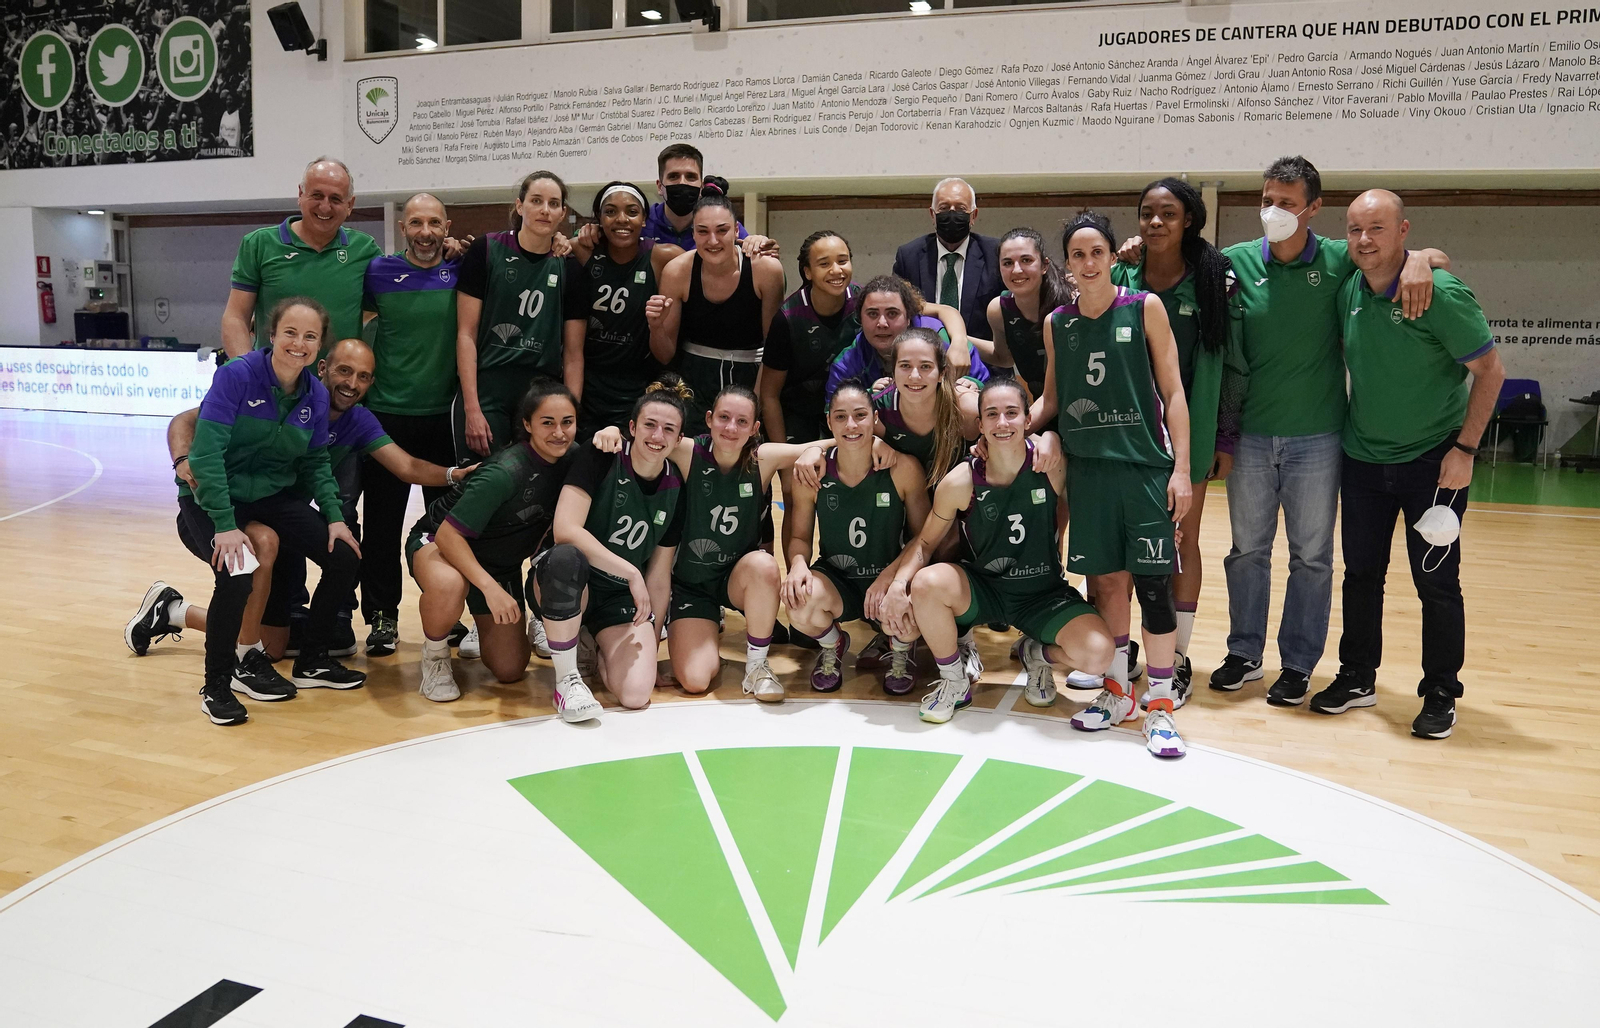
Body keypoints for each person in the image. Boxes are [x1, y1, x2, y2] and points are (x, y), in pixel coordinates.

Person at [1208, 156, 1449, 703]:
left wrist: (1423, 260)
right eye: (1268, 199)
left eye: (1288, 203)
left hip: (1318, 439)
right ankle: (1244, 653)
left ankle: (1297, 664)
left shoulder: (1342, 260)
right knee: (1246, 551)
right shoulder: (1234, 261)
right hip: (1248, 437)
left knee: (1312, 557)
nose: (1275, 211)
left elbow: (1413, 257)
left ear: (1313, 209)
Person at [130, 339, 468, 670]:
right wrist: (182, 459)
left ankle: (178, 612)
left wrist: (458, 475)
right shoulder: (284, 394)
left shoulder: (358, 421)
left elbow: (407, 466)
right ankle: (192, 628)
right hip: (233, 515)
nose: (351, 384)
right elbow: (185, 420)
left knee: (275, 644)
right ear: (323, 368)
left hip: (283, 521)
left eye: (363, 376)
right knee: (260, 627)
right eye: (344, 371)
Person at [1313, 190, 1505, 738]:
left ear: (1403, 231)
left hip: (1433, 462)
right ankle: (1356, 677)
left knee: (1437, 583)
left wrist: (1465, 451)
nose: (1364, 240)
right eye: (1354, 230)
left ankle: (1441, 690)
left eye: (1377, 228)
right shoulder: (1350, 283)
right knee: (1362, 575)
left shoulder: (1439, 293)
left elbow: (1491, 371)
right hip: (1363, 460)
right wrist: (1426, 254)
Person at [1030, 212, 1192, 758]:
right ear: (1067, 264)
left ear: (1109, 255)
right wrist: (1003, 428)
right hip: (1089, 473)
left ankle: (1162, 704)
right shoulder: (1058, 323)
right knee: (1107, 589)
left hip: (1144, 469)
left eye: (1096, 251)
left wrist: (1183, 470)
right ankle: (1118, 692)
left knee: (1153, 588)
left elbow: (1173, 393)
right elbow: (1052, 400)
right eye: (1077, 254)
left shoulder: (1143, 306)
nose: (1088, 262)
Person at [882, 378, 1113, 724]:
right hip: (984, 589)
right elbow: (926, 542)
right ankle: (954, 681)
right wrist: (899, 585)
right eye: (992, 414)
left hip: (1042, 594)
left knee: (1099, 654)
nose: (1002, 423)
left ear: (1027, 420)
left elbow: (1095, 512)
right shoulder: (960, 481)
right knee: (927, 583)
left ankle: (1037, 654)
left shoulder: (1052, 467)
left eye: (1011, 413)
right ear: (980, 426)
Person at [181, 297, 364, 725]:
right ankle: (218, 685)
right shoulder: (237, 376)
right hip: (210, 495)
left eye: (310, 337)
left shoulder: (314, 395)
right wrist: (224, 525)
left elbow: (318, 461)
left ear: (319, 346)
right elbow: (205, 455)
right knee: (239, 566)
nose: (298, 343)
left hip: (267, 495)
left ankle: (314, 661)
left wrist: (335, 517)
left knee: (343, 557)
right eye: (290, 333)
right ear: (271, 335)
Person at [1109, 179, 1239, 696]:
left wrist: (1224, 435)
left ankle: (1178, 655)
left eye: (1168, 213)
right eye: (1146, 213)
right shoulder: (1120, 274)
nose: (1155, 222)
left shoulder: (1209, 282)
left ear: (1190, 220)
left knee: (1180, 547)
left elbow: (1231, 366)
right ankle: (1130, 649)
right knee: (1122, 549)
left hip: (1187, 438)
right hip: (1120, 438)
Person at [636, 386, 825, 702]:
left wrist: (813, 452)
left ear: (754, 429)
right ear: (709, 419)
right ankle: (704, 641)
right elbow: (641, 439)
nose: (730, 428)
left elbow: (827, 444)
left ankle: (756, 665)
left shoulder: (761, 458)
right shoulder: (686, 451)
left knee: (764, 564)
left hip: (736, 578)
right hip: (691, 586)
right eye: (723, 418)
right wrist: (611, 432)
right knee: (695, 681)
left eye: (741, 421)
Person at [406, 380, 582, 706]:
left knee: (510, 669)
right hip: (440, 543)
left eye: (567, 422)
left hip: (498, 562)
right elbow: (447, 535)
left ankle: (497, 620)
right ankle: (435, 655)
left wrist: (612, 432)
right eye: (547, 422)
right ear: (527, 424)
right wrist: (490, 589)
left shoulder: (573, 459)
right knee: (449, 584)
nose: (559, 432)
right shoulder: (504, 472)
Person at [539, 378, 692, 716]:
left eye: (668, 429)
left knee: (637, 694)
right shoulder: (601, 455)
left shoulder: (676, 488)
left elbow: (660, 576)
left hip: (618, 598)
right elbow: (564, 529)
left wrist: (650, 638)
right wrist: (629, 571)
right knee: (567, 559)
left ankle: (590, 642)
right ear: (632, 428)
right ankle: (566, 680)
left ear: (680, 439)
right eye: (650, 425)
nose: (657, 436)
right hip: (569, 581)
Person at [358, 193, 463, 657]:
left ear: (446, 227)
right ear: (403, 226)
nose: (425, 232)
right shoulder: (377, 271)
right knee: (380, 524)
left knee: (447, 527)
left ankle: (447, 614)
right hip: (386, 417)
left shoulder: (463, 268)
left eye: (434, 223)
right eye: (417, 223)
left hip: (446, 418)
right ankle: (381, 616)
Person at [782, 381, 930, 696]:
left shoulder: (903, 468)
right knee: (797, 605)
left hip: (887, 575)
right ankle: (832, 644)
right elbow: (798, 535)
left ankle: (900, 652)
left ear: (875, 419)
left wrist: (892, 578)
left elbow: (923, 539)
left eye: (860, 415)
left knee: (918, 600)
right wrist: (797, 564)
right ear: (829, 422)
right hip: (839, 579)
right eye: (841, 417)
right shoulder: (812, 473)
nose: (851, 425)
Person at [454, 170, 579, 461]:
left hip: (540, 391)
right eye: (536, 200)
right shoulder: (485, 250)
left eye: (553, 203)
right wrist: (472, 408)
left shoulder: (569, 267)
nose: (544, 210)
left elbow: (574, 354)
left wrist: (571, 415)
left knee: (534, 487)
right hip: (488, 387)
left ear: (562, 213)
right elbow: (466, 334)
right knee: (482, 481)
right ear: (520, 206)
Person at [646, 194, 785, 425]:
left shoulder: (766, 269)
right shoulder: (677, 271)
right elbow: (665, 355)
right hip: (693, 382)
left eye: (722, 230)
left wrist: (757, 400)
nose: (713, 240)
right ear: (693, 235)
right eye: (702, 231)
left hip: (751, 377)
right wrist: (656, 327)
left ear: (737, 232)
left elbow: (774, 348)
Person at [222, 157, 381, 357]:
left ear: (350, 204)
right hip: (273, 385)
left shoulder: (365, 249)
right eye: (317, 195)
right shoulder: (259, 244)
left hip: (338, 386)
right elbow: (236, 317)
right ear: (300, 194)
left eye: (335, 199)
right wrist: (247, 374)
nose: (325, 207)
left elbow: (391, 307)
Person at [564, 181, 682, 442]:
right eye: (610, 212)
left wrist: (749, 243)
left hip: (638, 387)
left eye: (631, 211)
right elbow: (550, 246)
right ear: (599, 219)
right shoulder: (583, 251)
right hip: (589, 385)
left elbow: (711, 258)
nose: (621, 219)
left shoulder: (664, 258)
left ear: (644, 219)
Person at [758, 230, 862, 447]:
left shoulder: (866, 303)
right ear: (808, 272)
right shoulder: (786, 319)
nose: (836, 270)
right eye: (824, 264)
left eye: (843, 261)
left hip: (852, 414)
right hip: (798, 417)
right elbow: (769, 396)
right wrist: (783, 459)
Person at [826, 275, 982, 419]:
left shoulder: (944, 342)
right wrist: (868, 396)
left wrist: (975, 385)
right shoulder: (848, 361)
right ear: (860, 318)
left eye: (892, 314)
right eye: (872, 314)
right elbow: (832, 412)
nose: (882, 323)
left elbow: (989, 389)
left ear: (909, 318)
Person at [892, 177, 1003, 344]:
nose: (952, 213)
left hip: (984, 363)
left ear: (973, 216)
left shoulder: (996, 255)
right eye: (944, 208)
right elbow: (898, 306)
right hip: (924, 361)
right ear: (932, 214)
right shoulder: (909, 256)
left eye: (960, 208)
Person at [985, 227, 1073, 402]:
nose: (1016, 270)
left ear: (1044, 265)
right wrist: (957, 340)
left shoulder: (1071, 302)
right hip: (1041, 406)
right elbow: (1003, 357)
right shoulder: (998, 310)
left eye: (1026, 260)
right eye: (1007, 263)